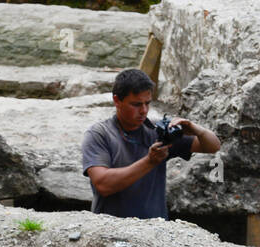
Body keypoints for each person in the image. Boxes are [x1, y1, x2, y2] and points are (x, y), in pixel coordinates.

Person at [81, 68, 221, 219]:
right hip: (111, 229)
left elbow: (213, 146)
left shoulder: (157, 131)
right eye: (136, 104)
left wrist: (196, 130)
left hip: (155, 231)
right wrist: (150, 162)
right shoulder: (99, 135)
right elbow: (103, 184)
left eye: (147, 103)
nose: (143, 110)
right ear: (117, 100)